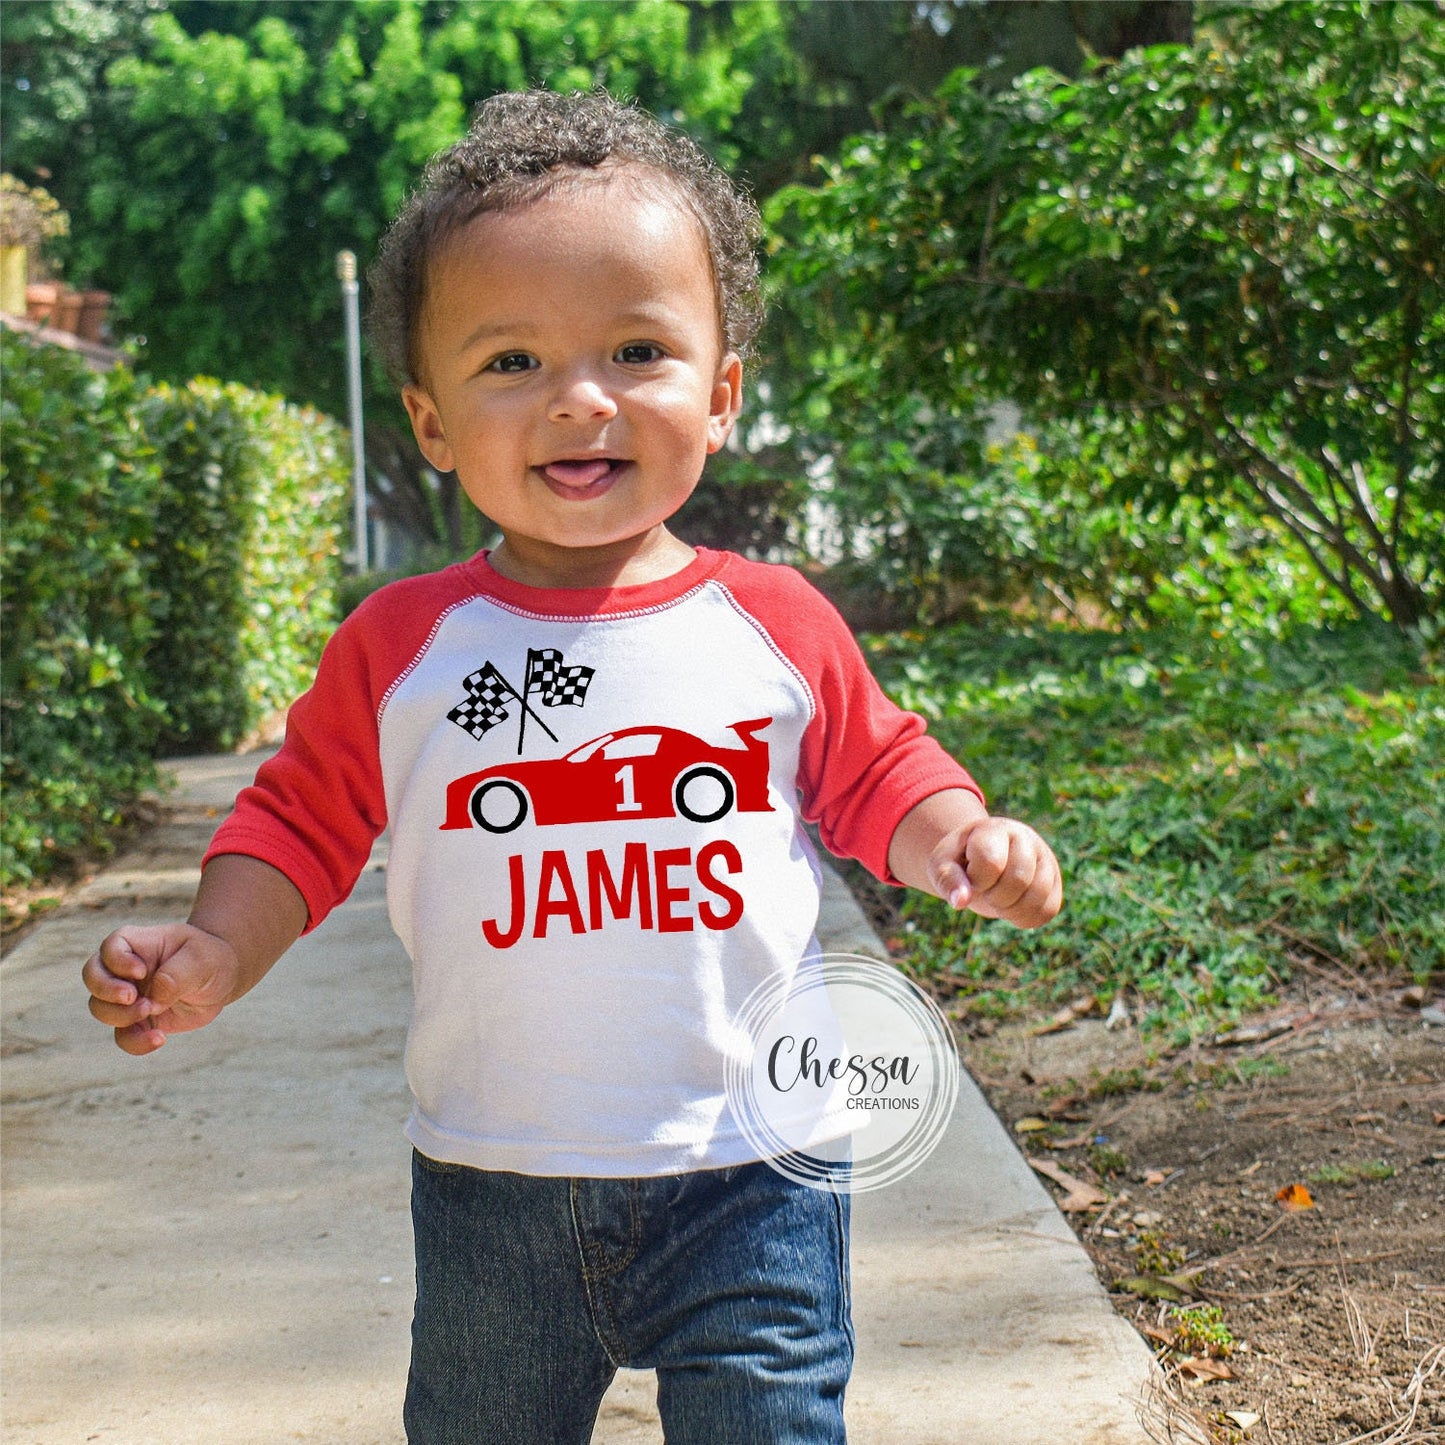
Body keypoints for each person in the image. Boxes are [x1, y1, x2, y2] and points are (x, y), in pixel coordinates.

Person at [82, 90, 1062, 1444]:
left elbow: (881, 768)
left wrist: (960, 832)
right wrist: (212, 946)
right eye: (511, 364)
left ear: (718, 395)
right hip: (494, 1183)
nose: (580, 399)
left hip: (755, 1173)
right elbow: (295, 824)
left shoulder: (770, 622)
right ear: (428, 420)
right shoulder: (402, 647)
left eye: (637, 348)